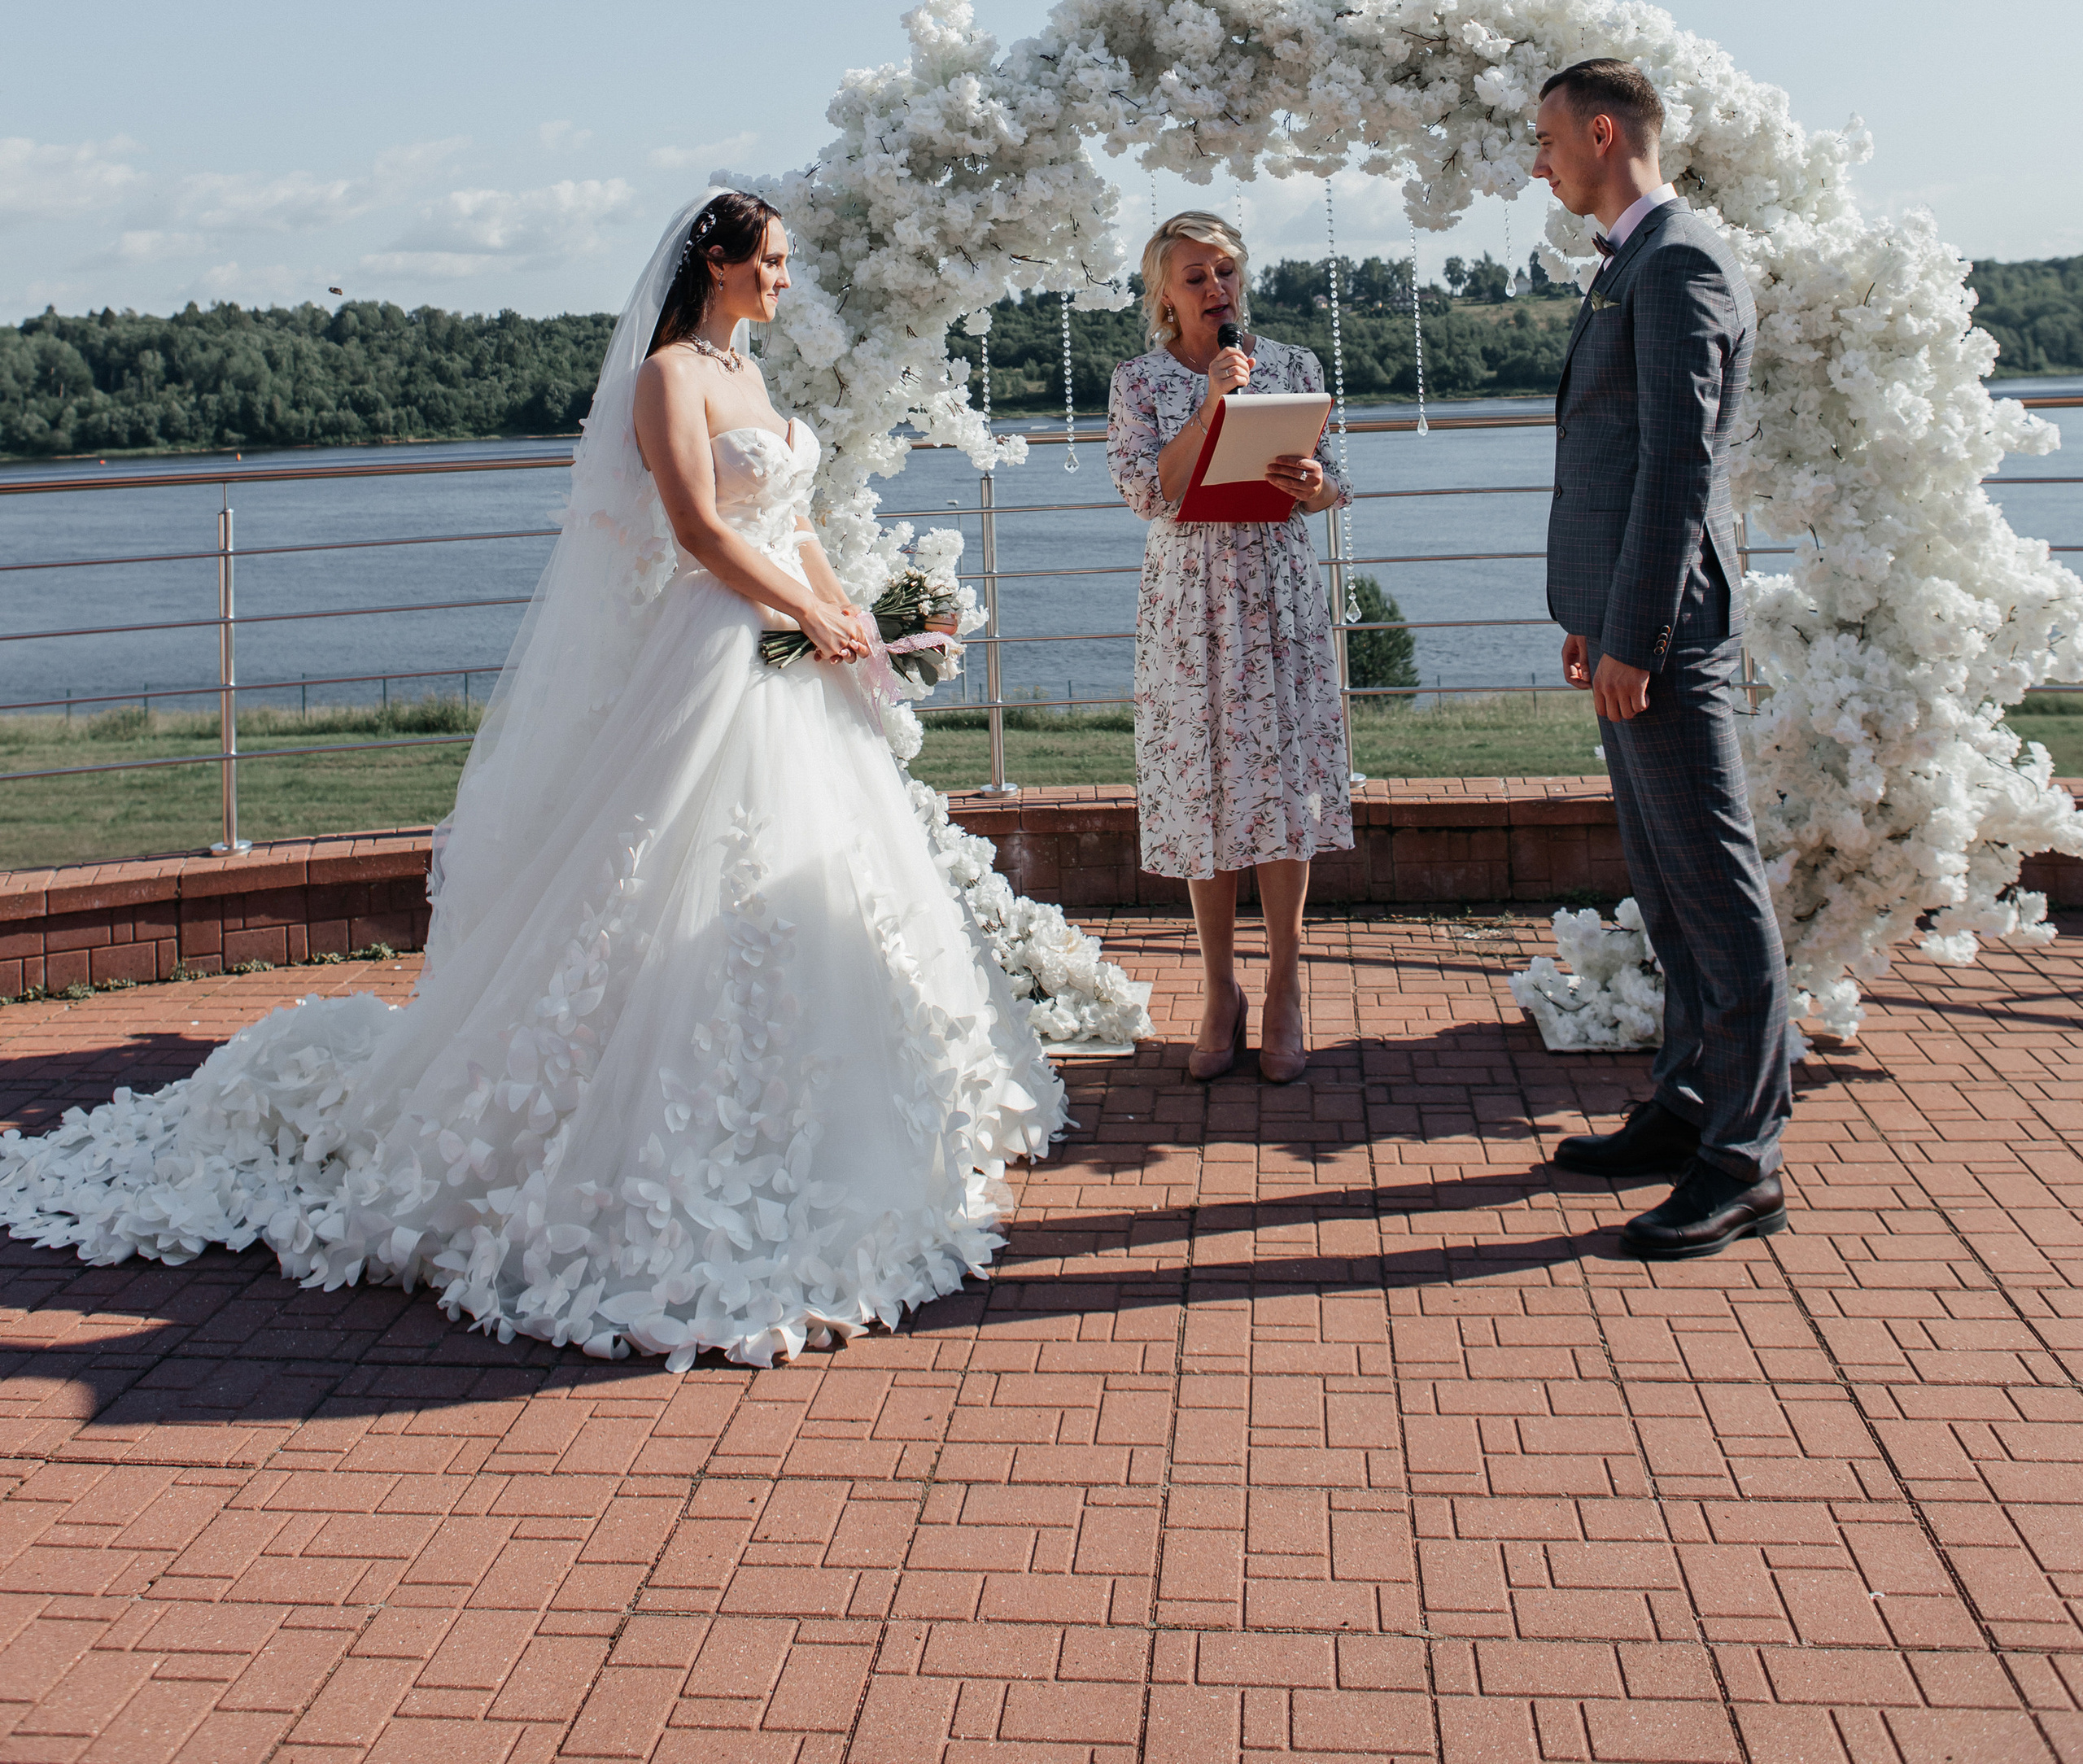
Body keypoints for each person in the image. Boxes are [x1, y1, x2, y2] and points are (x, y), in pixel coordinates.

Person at [0, 191, 1066, 1366]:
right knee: (668, 868)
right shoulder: (669, 377)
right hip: (717, 645)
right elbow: (702, 532)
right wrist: (800, 607)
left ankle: (847, 1122)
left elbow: (792, 517)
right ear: (713, 262)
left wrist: (845, 612)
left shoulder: (753, 379)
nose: (784, 280)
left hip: (792, 648)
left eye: (786, 264)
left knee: (821, 868)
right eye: (770, 262)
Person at [1534, 61, 1791, 1260]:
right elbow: (1622, 457)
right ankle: (1686, 1108)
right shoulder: (1635, 262)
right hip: (1632, 623)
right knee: (1670, 885)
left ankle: (1744, 1162)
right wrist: (1596, 613)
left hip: (1671, 635)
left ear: (1601, 133)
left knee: (1716, 892)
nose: (1540, 164)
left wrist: (1638, 633)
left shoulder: (1678, 260)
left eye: (1548, 142)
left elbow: (1680, 468)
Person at [1106, 212, 1351, 1086]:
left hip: (1278, 597)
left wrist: (1316, 484)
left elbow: (1335, 482)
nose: (1217, 291)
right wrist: (1211, 404)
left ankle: (1283, 983)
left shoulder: (1294, 367)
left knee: (1282, 790)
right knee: (1204, 790)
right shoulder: (1138, 382)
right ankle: (1220, 989)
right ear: (1165, 296)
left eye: (1227, 274)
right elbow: (1145, 491)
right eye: (1197, 279)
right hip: (1192, 606)